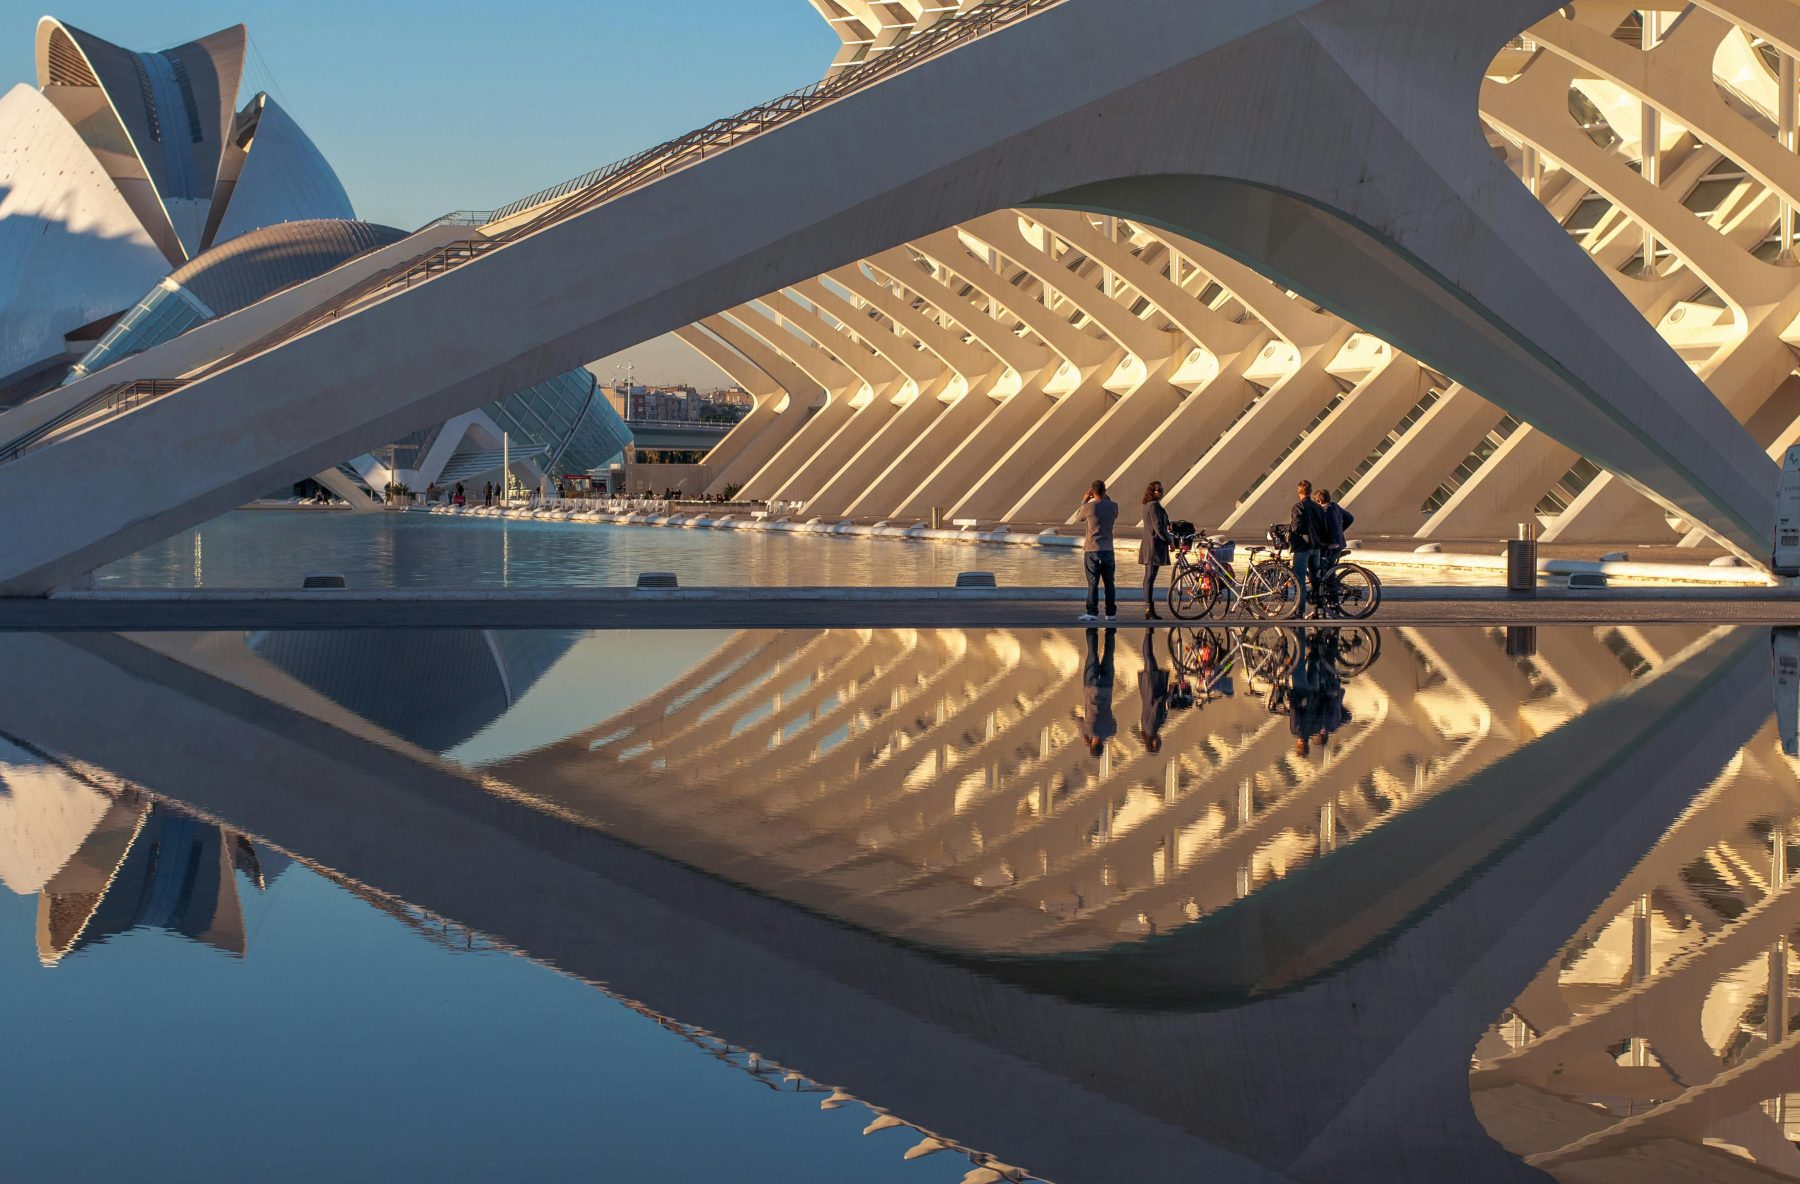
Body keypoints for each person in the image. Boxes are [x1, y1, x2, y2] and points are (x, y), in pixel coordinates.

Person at [1076, 479, 1119, 622]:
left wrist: (1085, 499)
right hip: (1108, 550)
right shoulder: (1114, 506)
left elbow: (1078, 518)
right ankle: (1111, 613)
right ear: (1105, 491)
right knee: (1109, 583)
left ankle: (1092, 612)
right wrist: (1104, 497)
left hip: (1092, 549)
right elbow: (1109, 506)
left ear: (1092, 492)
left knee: (1093, 582)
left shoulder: (1089, 507)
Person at [1288, 480, 1330, 619]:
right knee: (1315, 578)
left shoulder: (1298, 506)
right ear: (1310, 491)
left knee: (1299, 579)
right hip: (1316, 546)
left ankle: (1299, 610)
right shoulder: (1317, 507)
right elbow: (1324, 526)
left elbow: (1296, 526)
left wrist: (1289, 533)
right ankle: (1319, 608)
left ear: (1299, 491)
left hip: (1302, 547)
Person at [1078, 627, 1117, 756]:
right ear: (1091, 746)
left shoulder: (1111, 731)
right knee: (1092, 655)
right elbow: (1078, 719)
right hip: (1091, 688)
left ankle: (1110, 631)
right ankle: (1092, 630)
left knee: (1109, 655)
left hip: (1106, 689)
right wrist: (1084, 738)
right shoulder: (1089, 730)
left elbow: (1114, 721)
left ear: (1103, 747)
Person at [1313, 487, 1355, 607]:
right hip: (1339, 544)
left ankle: (1333, 602)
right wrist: (1341, 531)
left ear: (1319, 502)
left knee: (1328, 573)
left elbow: (1330, 528)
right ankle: (1329, 599)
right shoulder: (1335, 506)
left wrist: (1335, 537)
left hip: (1332, 546)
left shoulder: (1325, 511)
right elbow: (1350, 518)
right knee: (1329, 571)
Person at [1138, 480, 1172, 620]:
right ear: (1152, 492)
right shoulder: (1153, 506)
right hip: (1153, 546)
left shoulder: (1150, 505)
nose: (1161, 492)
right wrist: (1169, 540)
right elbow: (1158, 527)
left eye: (1162, 490)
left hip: (1150, 544)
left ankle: (1149, 608)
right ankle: (1148, 608)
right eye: (1159, 490)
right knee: (1150, 577)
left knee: (1149, 577)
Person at [1135, 628, 1170, 752]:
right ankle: (1148, 633)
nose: (1159, 742)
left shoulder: (1151, 729)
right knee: (1150, 657)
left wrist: (1166, 695)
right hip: (1148, 689)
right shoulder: (1146, 729)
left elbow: (1156, 707)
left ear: (1151, 743)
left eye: (1157, 745)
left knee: (1148, 657)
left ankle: (1148, 632)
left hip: (1153, 688)